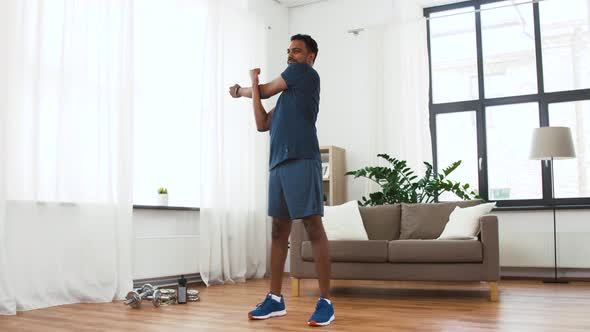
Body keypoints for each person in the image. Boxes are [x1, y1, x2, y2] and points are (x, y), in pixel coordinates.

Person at [228, 34, 334, 327]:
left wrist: (242, 88)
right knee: (278, 231)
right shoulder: (289, 97)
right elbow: (262, 123)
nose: (290, 54)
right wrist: (250, 91)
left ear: (310, 56)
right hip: (278, 165)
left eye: (297, 50)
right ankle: (275, 299)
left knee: (313, 225)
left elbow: (263, 89)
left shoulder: (305, 74)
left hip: (302, 159)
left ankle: (325, 301)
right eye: (288, 50)